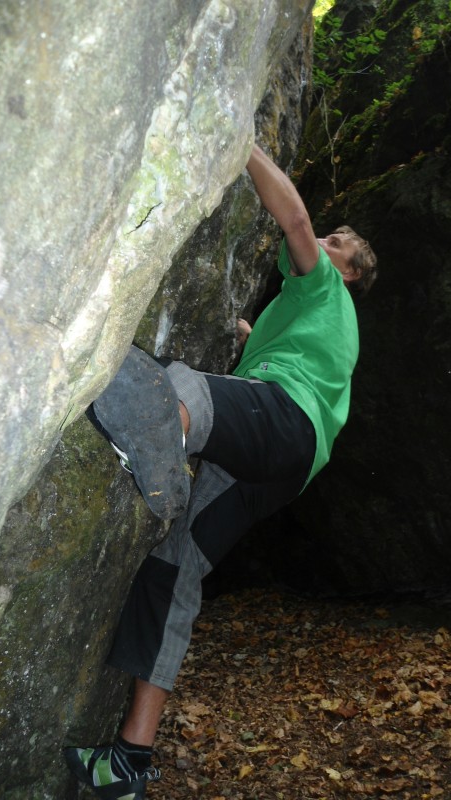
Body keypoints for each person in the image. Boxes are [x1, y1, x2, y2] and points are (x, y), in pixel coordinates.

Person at [64, 143, 377, 799]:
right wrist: (244, 335)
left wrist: (244, 144)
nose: (322, 240)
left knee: (179, 393)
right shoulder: (315, 321)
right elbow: (271, 355)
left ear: (346, 273)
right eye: (329, 236)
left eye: (337, 244)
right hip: (282, 467)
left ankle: (155, 445)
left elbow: (292, 218)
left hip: (285, 420)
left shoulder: (323, 285)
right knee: (170, 575)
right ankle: (130, 762)